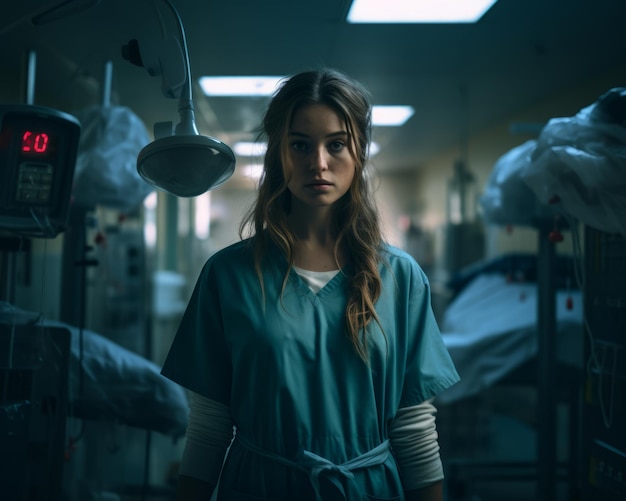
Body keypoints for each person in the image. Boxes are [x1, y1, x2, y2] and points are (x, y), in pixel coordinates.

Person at [161, 68, 460, 501]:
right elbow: (209, 424)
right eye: (299, 144)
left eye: (335, 144)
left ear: (358, 153)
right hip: (260, 486)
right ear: (278, 155)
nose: (318, 163)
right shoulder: (228, 276)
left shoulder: (400, 277)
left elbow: (414, 428)